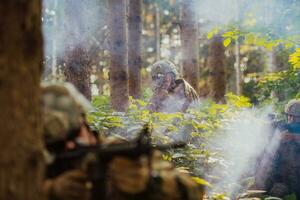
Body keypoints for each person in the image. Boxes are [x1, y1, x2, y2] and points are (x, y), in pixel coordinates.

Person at [41, 82, 204, 200]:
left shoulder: (119, 153)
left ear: (84, 122)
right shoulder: (40, 162)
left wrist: (150, 182)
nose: (69, 145)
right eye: (57, 144)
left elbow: (193, 192)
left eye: (73, 135)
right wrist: (51, 191)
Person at [254, 99, 300, 198]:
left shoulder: (290, 132)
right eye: (291, 116)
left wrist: (293, 136)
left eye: (296, 117)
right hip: (283, 178)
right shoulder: (282, 128)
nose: (292, 119)